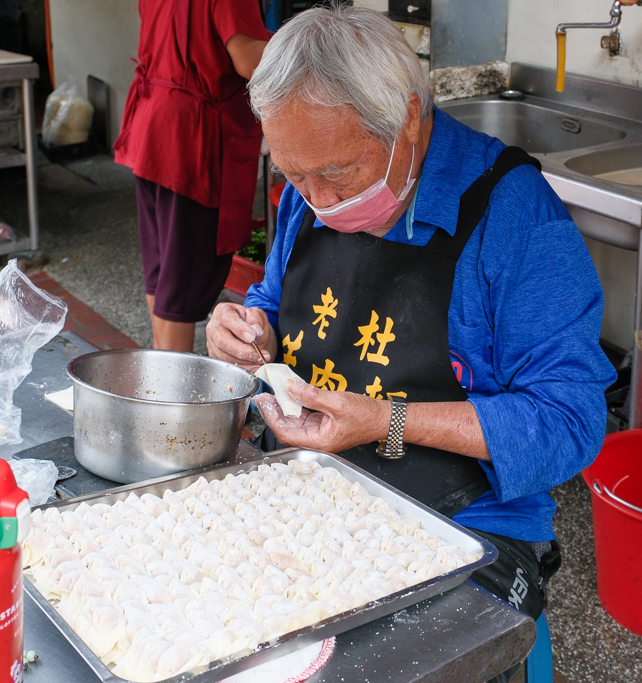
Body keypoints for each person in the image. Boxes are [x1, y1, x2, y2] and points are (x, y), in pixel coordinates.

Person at [206, 5, 616, 681]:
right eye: (294, 174)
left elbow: (569, 423)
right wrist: (249, 330)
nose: (314, 199)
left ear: (407, 121)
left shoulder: (514, 218)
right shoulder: (303, 197)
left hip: (466, 524)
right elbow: (273, 302)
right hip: (309, 485)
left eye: (334, 174)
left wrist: (386, 419)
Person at [114, 0, 269, 352]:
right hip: (191, 142)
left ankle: (162, 370)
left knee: (162, 269)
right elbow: (249, 61)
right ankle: (172, 390)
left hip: (152, 128)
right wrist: (303, 41)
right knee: (181, 279)